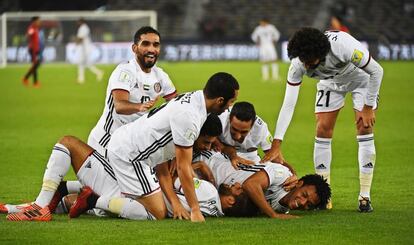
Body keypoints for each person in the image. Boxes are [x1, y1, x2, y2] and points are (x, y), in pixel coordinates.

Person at [73, 72, 239, 223]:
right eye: (231, 102)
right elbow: (183, 168)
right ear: (219, 101)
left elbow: (164, 154)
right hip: (132, 155)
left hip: (130, 144)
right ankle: (92, 201)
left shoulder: (195, 99)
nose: (229, 107)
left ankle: (72, 191)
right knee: (156, 212)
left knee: (137, 198)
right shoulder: (190, 117)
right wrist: (195, 209)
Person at [266, 27, 383, 212]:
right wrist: (277, 143)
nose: (305, 66)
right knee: (322, 128)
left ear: (321, 54)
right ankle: (324, 197)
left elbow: (377, 70)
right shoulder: (298, 63)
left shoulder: (343, 47)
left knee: (364, 127)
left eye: (309, 62)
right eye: (302, 61)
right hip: (331, 84)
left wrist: (368, 107)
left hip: (362, 80)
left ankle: (364, 196)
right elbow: (289, 105)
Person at [87, 26, 177, 156]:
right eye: (145, 44)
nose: (151, 49)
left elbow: (176, 105)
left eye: (156, 45)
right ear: (135, 48)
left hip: (132, 144)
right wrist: (140, 106)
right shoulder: (125, 71)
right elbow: (120, 106)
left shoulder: (161, 76)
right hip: (106, 141)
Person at [195, 152, 331, 218]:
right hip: (208, 163)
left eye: (309, 204)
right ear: (298, 184)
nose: (302, 202)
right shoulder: (282, 175)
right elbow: (250, 185)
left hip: (212, 186)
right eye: (304, 195)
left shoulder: (282, 208)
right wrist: (273, 215)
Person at [215, 101, 294, 174]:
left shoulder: (260, 129)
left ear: (252, 126)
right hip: (220, 152)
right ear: (229, 119)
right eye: (234, 129)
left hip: (250, 157)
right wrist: (233, 156)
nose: (238, 136)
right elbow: (209, 141)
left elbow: (277, 159)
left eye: (244, 132)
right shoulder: (219, 119)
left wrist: (292, 175)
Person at [75, 18, 104, 84]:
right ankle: (98, 73)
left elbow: (80, 38)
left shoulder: (83, 28)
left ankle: (81, 79)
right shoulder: (84, 27)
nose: (77, 23)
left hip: (85, 48)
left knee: (81, 63)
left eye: (78, 22)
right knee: (85, 64)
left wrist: (76, 43)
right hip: (84, 48)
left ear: (81, 22)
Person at [22, 16, 43, 88]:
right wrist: (28, 36)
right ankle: (32, 81)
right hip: (33, 50)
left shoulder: (36, 28)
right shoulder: (32, 28)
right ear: (34, 21)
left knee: (36, 65)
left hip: (36, 49)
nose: (39, 22)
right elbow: (28, 35)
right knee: (36, 65)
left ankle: (28, 79)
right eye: (38, 21)